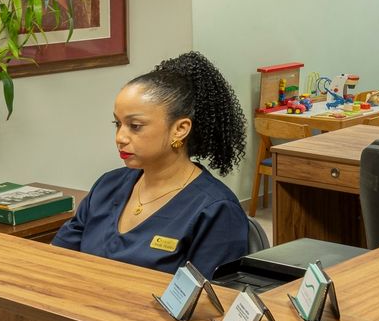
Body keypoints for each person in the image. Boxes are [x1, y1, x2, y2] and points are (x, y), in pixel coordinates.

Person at [52, 51, 250, 274]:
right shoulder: (107, 186)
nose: (120, 137)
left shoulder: (217, 210)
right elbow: (58, 259)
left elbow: (210, 301)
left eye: (135, 126)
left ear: (180, 129)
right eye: (117, 124)